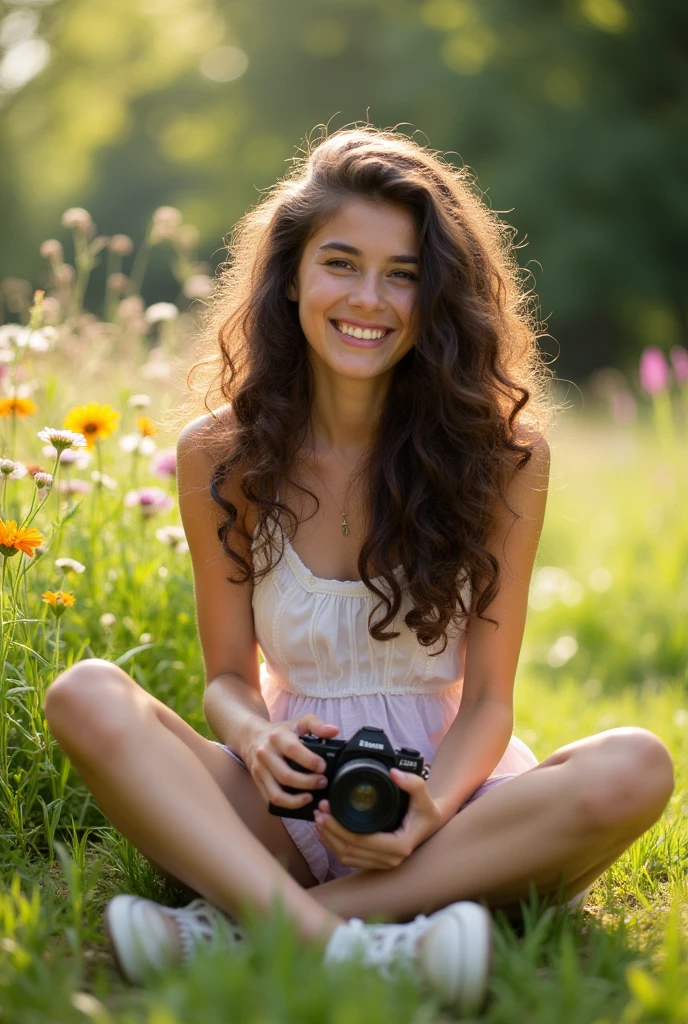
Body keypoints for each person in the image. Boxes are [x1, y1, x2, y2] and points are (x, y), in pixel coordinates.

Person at [43, 126, 675, 1014]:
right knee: (83, 694)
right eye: (341, 263)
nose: (368, 299)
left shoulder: (503, 458)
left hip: (454, 815)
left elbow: (490, 702)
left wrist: (433, 808)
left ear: (438, 295)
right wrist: (257, 740)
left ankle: (245, 929)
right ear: (291, 274)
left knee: (636, 765)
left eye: (404, 273)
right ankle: (356, 946)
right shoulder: (218, 454)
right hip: (284, 805)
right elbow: (228, 678)